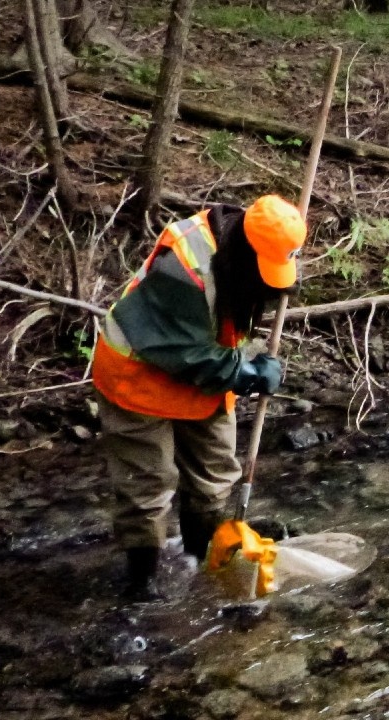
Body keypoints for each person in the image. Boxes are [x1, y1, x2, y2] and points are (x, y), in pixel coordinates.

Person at [92, 195, 306, 601]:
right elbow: (181, 348)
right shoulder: (184, 266)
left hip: (201, 375)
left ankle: (198, 559)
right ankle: (143, 584)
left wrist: (249, 361)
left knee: (214, 477)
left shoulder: (245, 259)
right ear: (246, 249)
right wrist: (242, 371)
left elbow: (212, 334)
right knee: (148, 485)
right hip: (139, 374)